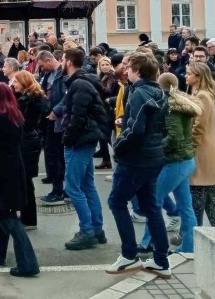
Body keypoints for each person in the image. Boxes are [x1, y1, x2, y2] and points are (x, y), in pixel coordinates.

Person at [106, 52, 171, 277]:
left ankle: (129, 255)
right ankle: (161, 260)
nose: (126, 69)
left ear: (138, 71)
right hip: (152, 157)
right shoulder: (157, 91)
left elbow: (136, 131)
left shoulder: (140, 93)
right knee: (151, 206)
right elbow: (154, 124)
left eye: (129, 66)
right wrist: (127, 122)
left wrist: (119, 147)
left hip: (136, 159)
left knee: (116, 202)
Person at [0, 82, 40, 277]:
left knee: (6, 216)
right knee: (4, 212)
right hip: (14, 168)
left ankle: (28, 263)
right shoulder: (16, 115)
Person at [139, 73, 200, 254]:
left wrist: (157, 148)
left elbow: (174, 136)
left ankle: (147, 243)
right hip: (185, 160)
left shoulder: (171, 106)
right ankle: (189, 246)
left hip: (174, 161)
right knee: (186, 207)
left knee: (153, 202)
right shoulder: (181, 102)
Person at [61, 49, 108, 251]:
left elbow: (77, 117)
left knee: (73, 187)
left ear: (69, 62)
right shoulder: (82, 82)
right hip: (86, 139)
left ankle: (87, 231)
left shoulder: (79, 84)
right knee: (87, 186)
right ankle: (96, 229)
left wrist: (68, 139)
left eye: (63, 59)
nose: (61, 62)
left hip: (80, 140)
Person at [185, 62, 215, 227]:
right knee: (209, 194)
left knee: (199, 192)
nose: (186, 76)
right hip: (204, 146)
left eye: (189, 73)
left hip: (202, 148)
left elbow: (199, 125)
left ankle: (194, 232)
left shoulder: (202, 95)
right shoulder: (201, 93)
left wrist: (189, 146)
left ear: (198, 77)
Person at [12, 71, 48, 230]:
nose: (13, 84)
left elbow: (21, 122)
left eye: (16, 82)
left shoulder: (28, 100)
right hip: (30, 140)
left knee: (25, 181)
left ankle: (28, 219)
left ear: (24, 82)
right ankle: (28, 217)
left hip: (26, 142)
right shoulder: (33, 98)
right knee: (25, 181)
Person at [38, 50, 68, 204]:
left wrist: (55, 111)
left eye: (43, 65)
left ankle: (59, 190)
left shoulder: (62, 75)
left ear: (48, 60)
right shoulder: (49, 75)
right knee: (55, 154)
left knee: (55, 155)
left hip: (59, 120)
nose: (42, 69)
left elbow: (66, 98)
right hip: (49, 118)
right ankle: (60, 189)